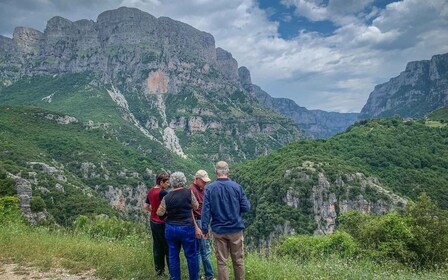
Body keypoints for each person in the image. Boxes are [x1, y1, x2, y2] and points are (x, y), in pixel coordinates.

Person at [201, 161, 250, 280]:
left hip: (219, 230)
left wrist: (204, 228)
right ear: (227, 171)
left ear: (216, 172)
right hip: (235, 229)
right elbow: (246, 207)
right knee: (238, 260)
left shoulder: (210, 189)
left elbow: (206, 211)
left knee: (222, 262)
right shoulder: (237, 187)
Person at [157, 171, 201, 280]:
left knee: (173, 256)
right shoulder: (188, 193)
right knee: (191, 256)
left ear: (172, 182)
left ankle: (175, 278)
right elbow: (195, 206)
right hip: (187, 227)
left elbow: (159, 213)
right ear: (183, 181)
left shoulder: (166, 197)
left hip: (171, 228)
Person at [189, 170, 215, 280]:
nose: (205, 184)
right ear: (197, 179)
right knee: (205, 250)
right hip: (198, 221)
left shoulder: (202, 189)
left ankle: (199, 275)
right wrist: (196, 227)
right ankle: (209, 276)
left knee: (200, 250)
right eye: (203, 181)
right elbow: (190, 210)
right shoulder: (191, 190)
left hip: (203, 220)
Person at [144, 171, 170, 277]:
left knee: (157, 247)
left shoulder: (151, 191)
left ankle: (159, 271)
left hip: (153, 221)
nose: (168, 184)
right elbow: (170, 206)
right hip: (162, 222)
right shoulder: (163, 193)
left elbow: (145, 206)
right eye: (167, 182)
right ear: (161, 182)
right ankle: (171, 271)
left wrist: (154, 211)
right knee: (167, 247)